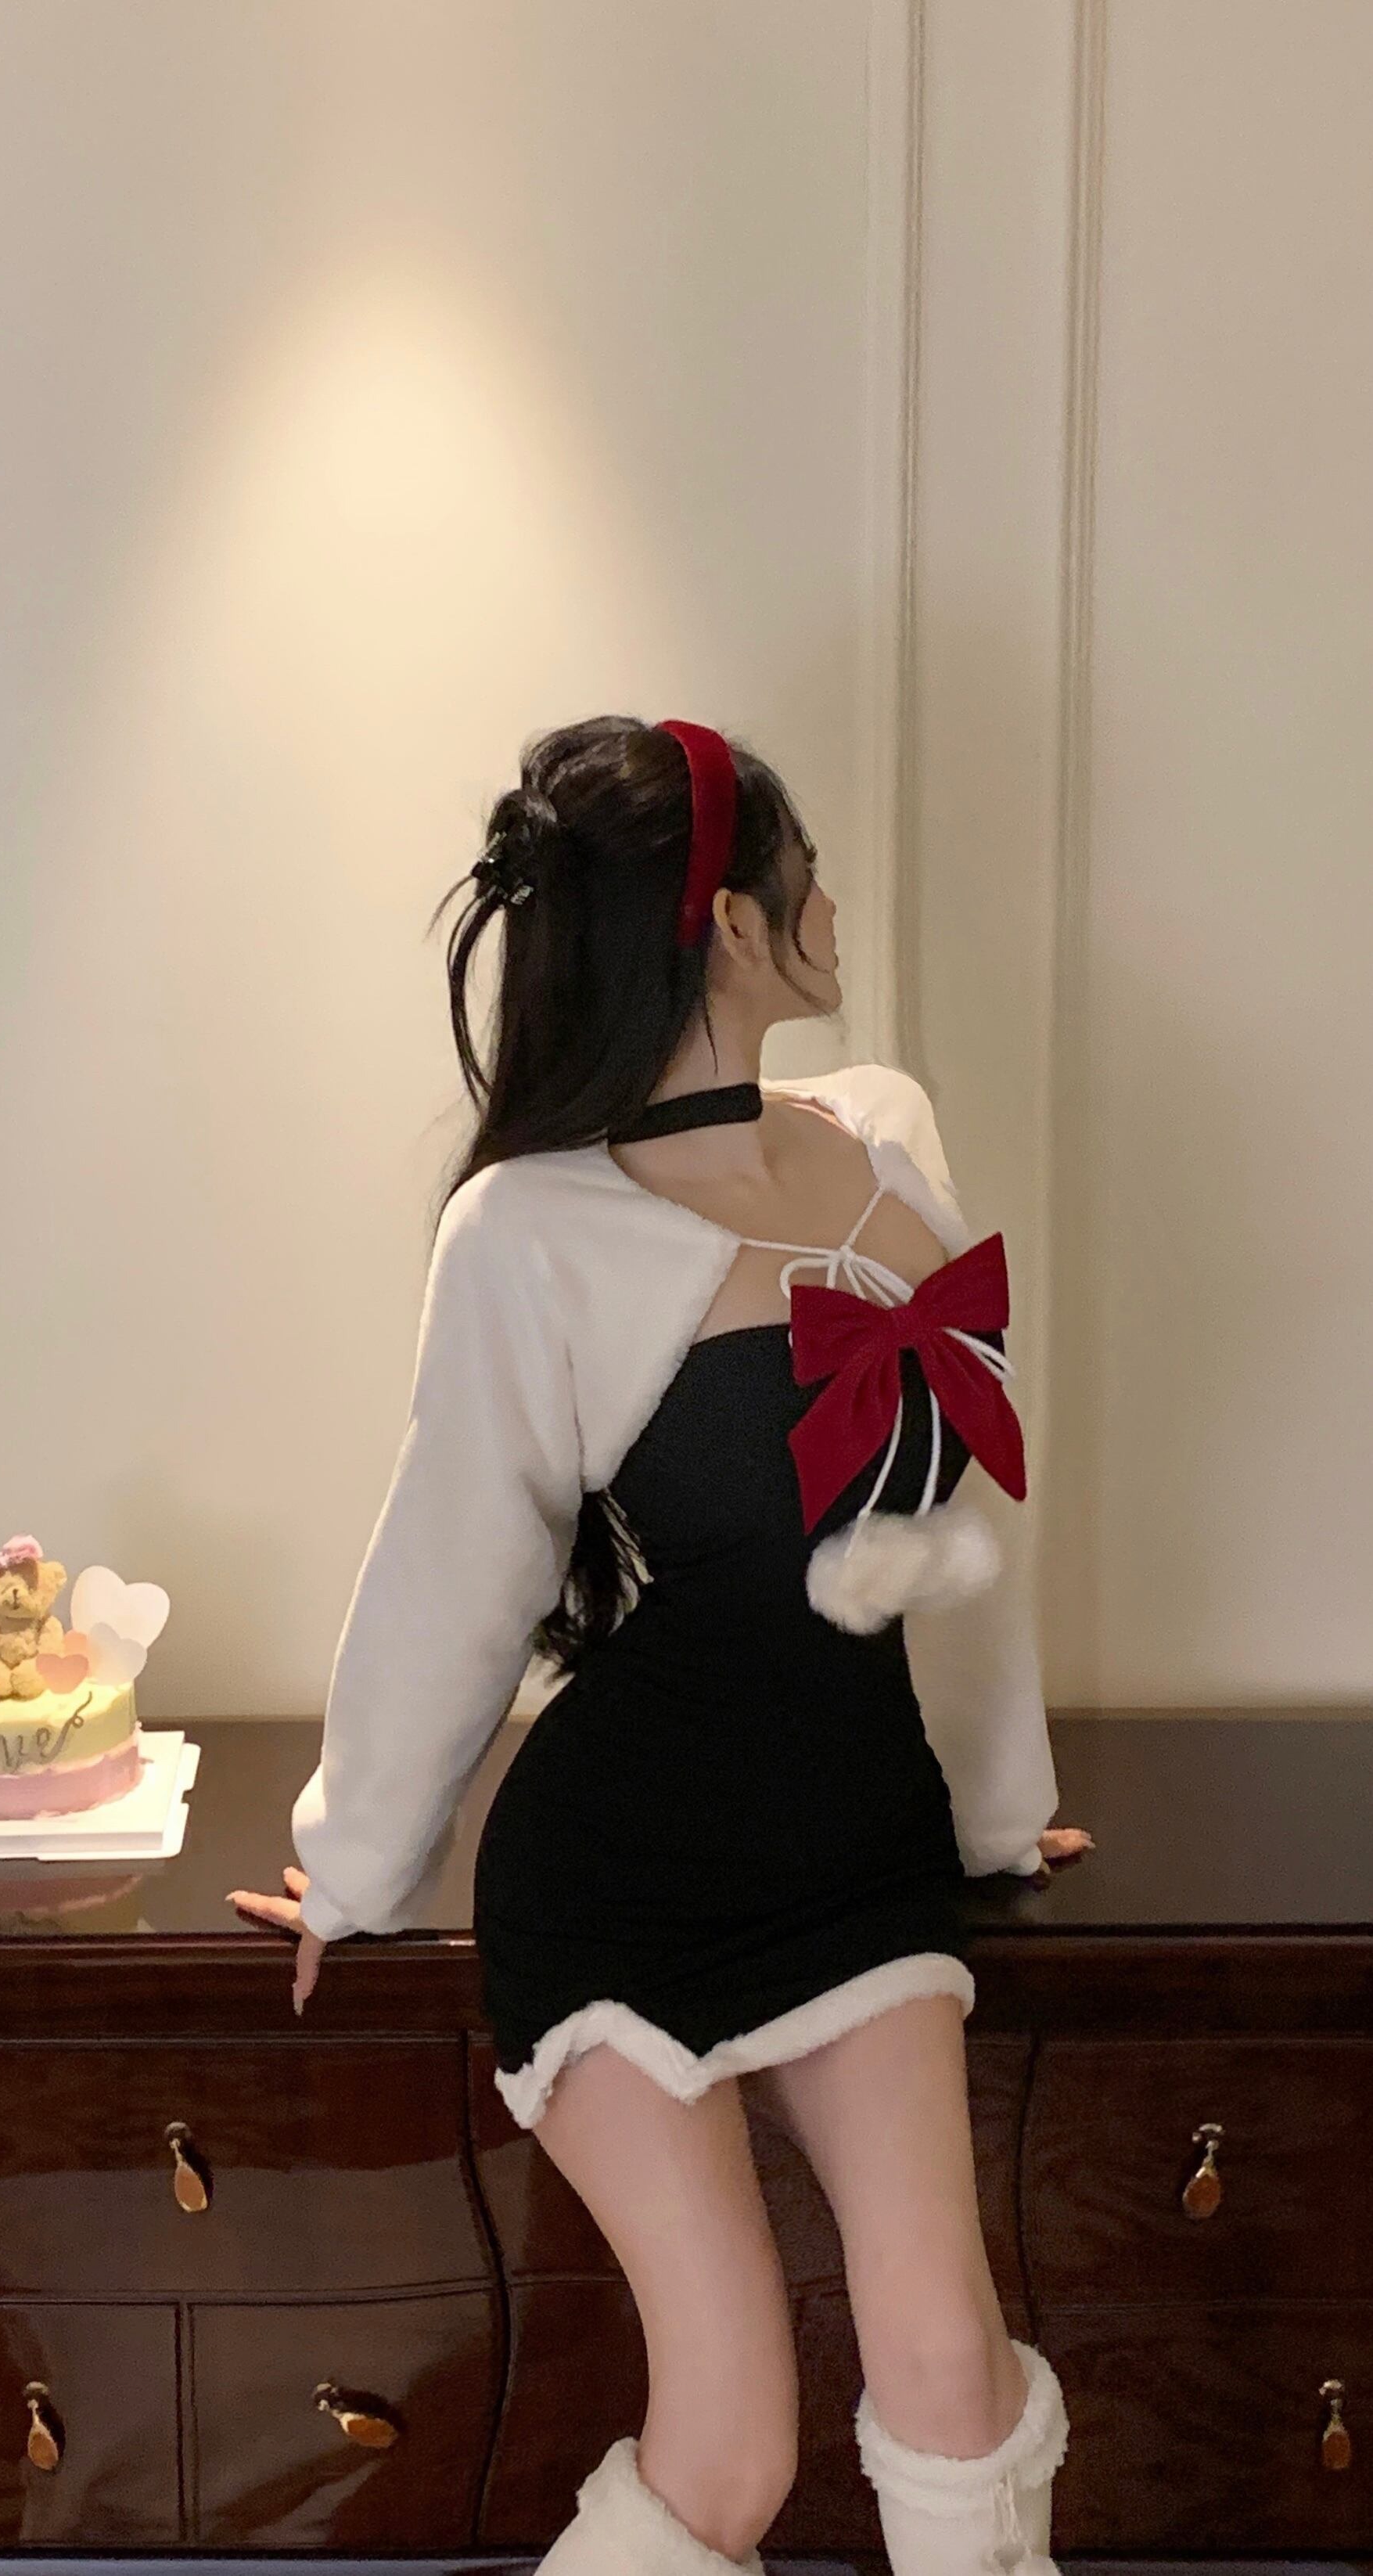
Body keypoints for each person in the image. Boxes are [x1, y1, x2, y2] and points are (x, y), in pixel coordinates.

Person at [228, 714, 1094, 2576]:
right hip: (622, 1878)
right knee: (730, 2442)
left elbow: (958, 1539)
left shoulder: (882, 1133)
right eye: (803, 877)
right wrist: (355, 1864)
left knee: (951, 2372)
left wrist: (992, 1810)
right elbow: (454, 1567)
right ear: (727, 923)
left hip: (854, 1850)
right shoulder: (526, 1226)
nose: (831, 906)